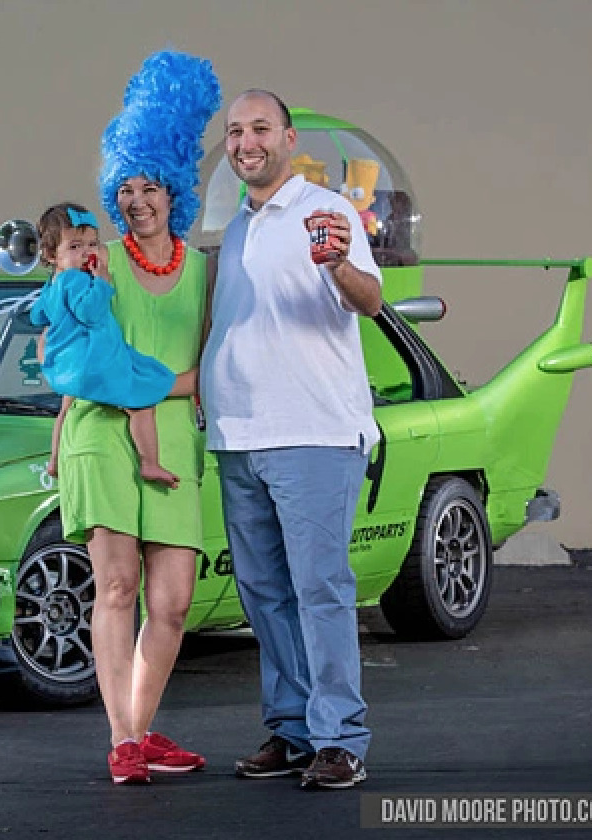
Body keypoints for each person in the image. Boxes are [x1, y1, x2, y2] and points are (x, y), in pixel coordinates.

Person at [200, 89, 384, 791]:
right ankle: (294, 730)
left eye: (260, 129)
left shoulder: (325, 210)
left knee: (320, 589)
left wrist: (336, 263)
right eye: (235, 131)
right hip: (239, 434)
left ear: (287, 138)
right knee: (264, 595)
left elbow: (369, 299)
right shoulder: (236, 231)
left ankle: (340, 739)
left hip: (313, 431)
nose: (246, 142)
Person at [55, 50, 220, 785]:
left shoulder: (206, 271)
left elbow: (214, 363)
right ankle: (123, 740)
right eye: (124, 187)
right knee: (118, 586)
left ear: (175, 189)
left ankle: (141, 728)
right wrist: (176, 384)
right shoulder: (100, 263)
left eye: (150, 185)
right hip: (101, 435)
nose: (136, 200)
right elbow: (75, 359)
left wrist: (184, 385)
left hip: (174, 439)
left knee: (174, 603)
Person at [30, 202, 181, 488]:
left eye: (92, 244)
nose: (87, 252)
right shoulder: (76, 279)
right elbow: (90, 312)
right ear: (51, 255)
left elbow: (37, 315)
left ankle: (54, 460)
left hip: (70, 366)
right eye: (75, 247)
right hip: (95, 360)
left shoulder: (53, 284)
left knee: (65, 410)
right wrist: (102, 282)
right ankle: (150, 463)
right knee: (141, 403)